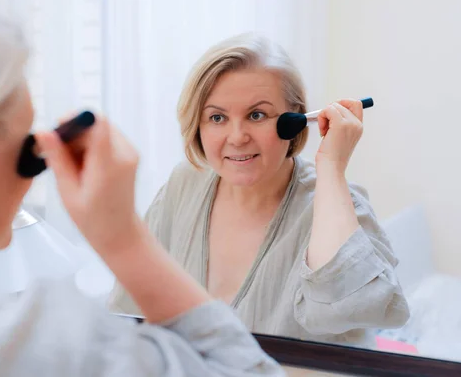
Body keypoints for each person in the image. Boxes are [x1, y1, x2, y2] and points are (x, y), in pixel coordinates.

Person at [0, 0, 284, 376]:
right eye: (28, 143)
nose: (237, 136)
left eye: (258, 116)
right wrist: (121, 237)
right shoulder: (22, 343)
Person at [108, 32, 410, 347]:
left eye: (257, 115)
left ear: (295, 119)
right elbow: (130, 309)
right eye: (217, 117)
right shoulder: (184, 185)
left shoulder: (339, 205)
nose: (237, 137)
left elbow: (351, 307)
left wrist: (332, 166)